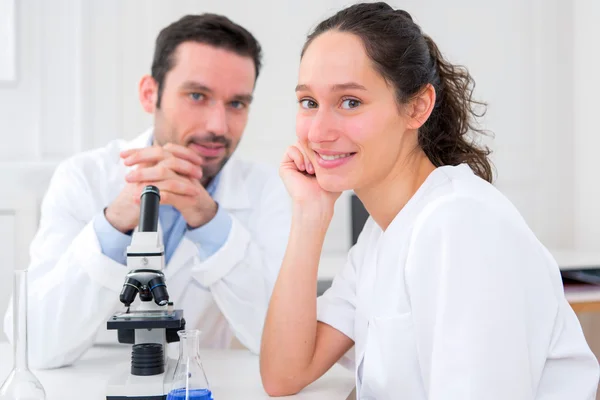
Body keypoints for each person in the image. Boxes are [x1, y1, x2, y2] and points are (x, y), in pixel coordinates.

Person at [259, 2, 600, 399]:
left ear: (417, 107)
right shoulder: (382, 233)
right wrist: (310, 215)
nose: (318, 131)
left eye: (350, 101)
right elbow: (283, 374)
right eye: (309, 103)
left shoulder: (459, 225)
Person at [3, 13, 291, 369]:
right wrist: (113, 224)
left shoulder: (266, 191)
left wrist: (209, 221)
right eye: (197, 95)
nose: (218, 126)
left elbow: (285, 343)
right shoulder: (83, 178)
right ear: (149, 94)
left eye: (237, 104)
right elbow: (34, 345)